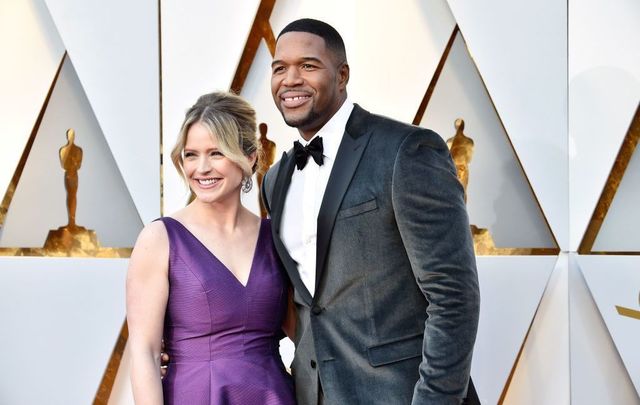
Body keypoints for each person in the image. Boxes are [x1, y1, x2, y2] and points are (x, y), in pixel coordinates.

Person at [261, 19, 480, 404]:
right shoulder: (275, 179)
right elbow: (301, 302)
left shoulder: (407, 151)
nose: (290, 79)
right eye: (280, 68)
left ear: (341, 75)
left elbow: (453, 296)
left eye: (308, 66)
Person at [127, 91, 296, 404]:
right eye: (191, 155)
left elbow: (306, 331)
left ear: (250, 157)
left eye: (216, 153)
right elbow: (144, 353)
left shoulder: (276, 236)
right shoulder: (160, 239)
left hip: (273, 395)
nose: (201, 168)